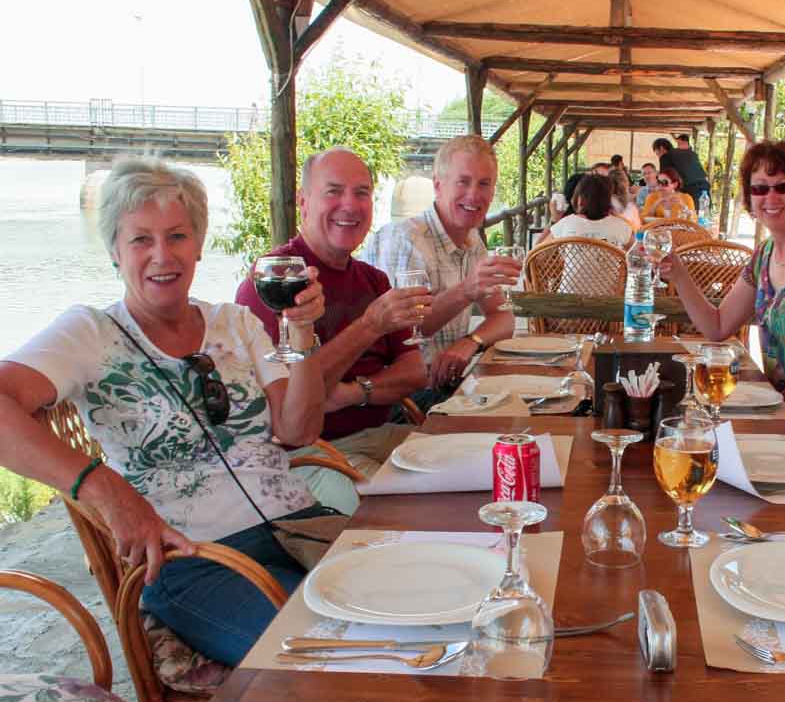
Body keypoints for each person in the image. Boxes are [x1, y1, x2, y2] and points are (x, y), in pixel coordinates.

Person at [0, 158, 329, 665]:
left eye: (177, 236)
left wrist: (301, 335)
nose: (161, 256)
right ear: (113, 251)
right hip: (191, 559)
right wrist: (104, 487)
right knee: (322, 657)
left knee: (409, 607)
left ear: (198, 245)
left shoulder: (237, 323)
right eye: (139, 240)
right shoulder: (89, 332)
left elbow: (299, 429)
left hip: (297, 525)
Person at [236, 148, 431, 513]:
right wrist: (370, 325)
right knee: (393, 514)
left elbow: (415, 372)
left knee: (464, 468)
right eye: (334, 191)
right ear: (303, 201)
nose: (350, 205)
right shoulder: (274, 281)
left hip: (380, 432)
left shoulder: (374, 279)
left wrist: (354, 392)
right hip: (309, 455)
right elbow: (293, 405)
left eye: (362, 193)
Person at [660, 140, 785, 408]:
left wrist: (777, 403)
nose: (771, 197)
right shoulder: (764, 254)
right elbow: (717, 327)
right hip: (774, 402)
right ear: (750, 198)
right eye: (760, 188)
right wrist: (679, 274)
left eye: (784, 186)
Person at [361, 135, 521, 406]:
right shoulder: (405, 240)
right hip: (400, 398)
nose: (474, 194)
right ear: (438, 185)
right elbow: (402, 331)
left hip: (447, 387)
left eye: (484, 184)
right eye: (463, 181)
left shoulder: (472, 240)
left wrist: (472, 340)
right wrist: (467, 290)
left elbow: (504, 318)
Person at [537, 174, 634, 248]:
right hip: (612, 275)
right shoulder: (621, 226)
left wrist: (554, 219)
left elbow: (536, 256)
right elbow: (639, 254)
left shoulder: (566, 224)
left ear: (580, 200)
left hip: (567, 274)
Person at [653, 136, 710, 207]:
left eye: (657, 153)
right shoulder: (690, 153)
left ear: (661, 148)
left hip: (690, 190)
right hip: (705, 188)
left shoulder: (665, 156)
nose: (658, 156)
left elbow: (663, 179)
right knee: (702, 214)